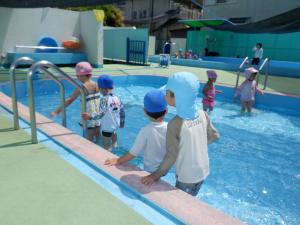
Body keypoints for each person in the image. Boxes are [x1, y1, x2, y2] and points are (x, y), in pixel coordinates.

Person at [141, 72, 219, 196]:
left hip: (188, 177)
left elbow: (171, 156)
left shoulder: (175, 124)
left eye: (167, 93)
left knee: (183, 203)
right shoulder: (203, 114)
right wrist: (195, 146)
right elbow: (215, 136)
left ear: (175, 97)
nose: (164, 96)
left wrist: (155, 175)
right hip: (204, 170)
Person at [105, 89, 167, 172]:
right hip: (167, 169)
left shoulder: (145, 131)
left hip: (150, 171)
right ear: (166, 111)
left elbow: (133, 153)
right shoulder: (172, 127)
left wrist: (117, 160)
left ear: (145, 112)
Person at [50, 61, 101, 142]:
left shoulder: (81, 88)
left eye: (77, 75)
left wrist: (56, 111)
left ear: (82, 75)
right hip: (98, 119)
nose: (77, 77)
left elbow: (69, 100)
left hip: (88, 120)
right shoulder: (97, 84)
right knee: (99, 139)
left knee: (89, 143)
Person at [82, 75, 125, 151]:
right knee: (114, 142)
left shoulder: (104, 99)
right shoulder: (117, 97)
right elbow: (122, 111)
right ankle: (116, 149)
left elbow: (100, 114)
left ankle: (109, 157)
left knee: (106, 145)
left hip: (107, 128)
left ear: (101, 88)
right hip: (115, 125)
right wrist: (122, 123)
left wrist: (90, 116)